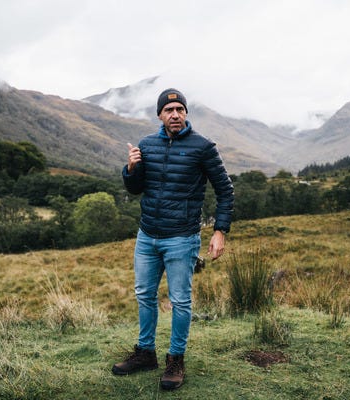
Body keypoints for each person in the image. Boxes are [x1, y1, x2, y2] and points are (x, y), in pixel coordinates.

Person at [112, 88, 234, 390]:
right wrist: (130, 169)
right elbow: (136, 188)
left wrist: (220, 231)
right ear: (160, 115)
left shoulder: (203, 148)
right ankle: (145, 354)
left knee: (180, 301)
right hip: (147, 236)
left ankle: (175, 360)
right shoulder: (146, 145)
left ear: (186, 113)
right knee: (144, 295)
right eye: (169, 110)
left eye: (180, 109)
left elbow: (225, 190)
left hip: (182, 238)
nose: (175, 114)